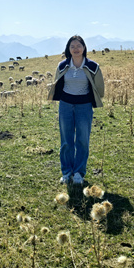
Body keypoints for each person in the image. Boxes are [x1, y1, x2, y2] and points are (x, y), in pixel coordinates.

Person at [48, 35, 104, 185]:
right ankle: (66, 172)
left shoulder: (93, 66)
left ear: (84, 48)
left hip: (84, 106)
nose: (76, 49)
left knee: (82, 140)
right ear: (68, 49)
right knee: (66, 140)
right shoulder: (62, 66)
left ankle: (79, 173)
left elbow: (100, 88)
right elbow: (57, 83)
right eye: (72, 46)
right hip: (65, 105)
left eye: (79, 46)